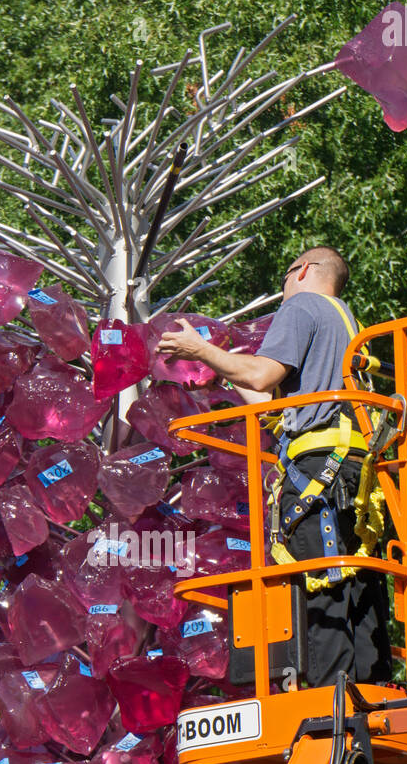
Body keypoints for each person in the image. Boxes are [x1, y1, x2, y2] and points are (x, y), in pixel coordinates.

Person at [158, 246, 392, 687]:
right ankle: (371, 694)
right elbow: (268, 400)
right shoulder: (346, 324)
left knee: (318, 588)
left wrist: (198, 347)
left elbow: (262, 376)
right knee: (352, 585)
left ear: (302, 270)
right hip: (351, 471)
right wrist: (218, 363)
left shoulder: (301, 305)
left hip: (317, 472)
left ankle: (331, 709)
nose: (282, 287)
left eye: (285, 276)